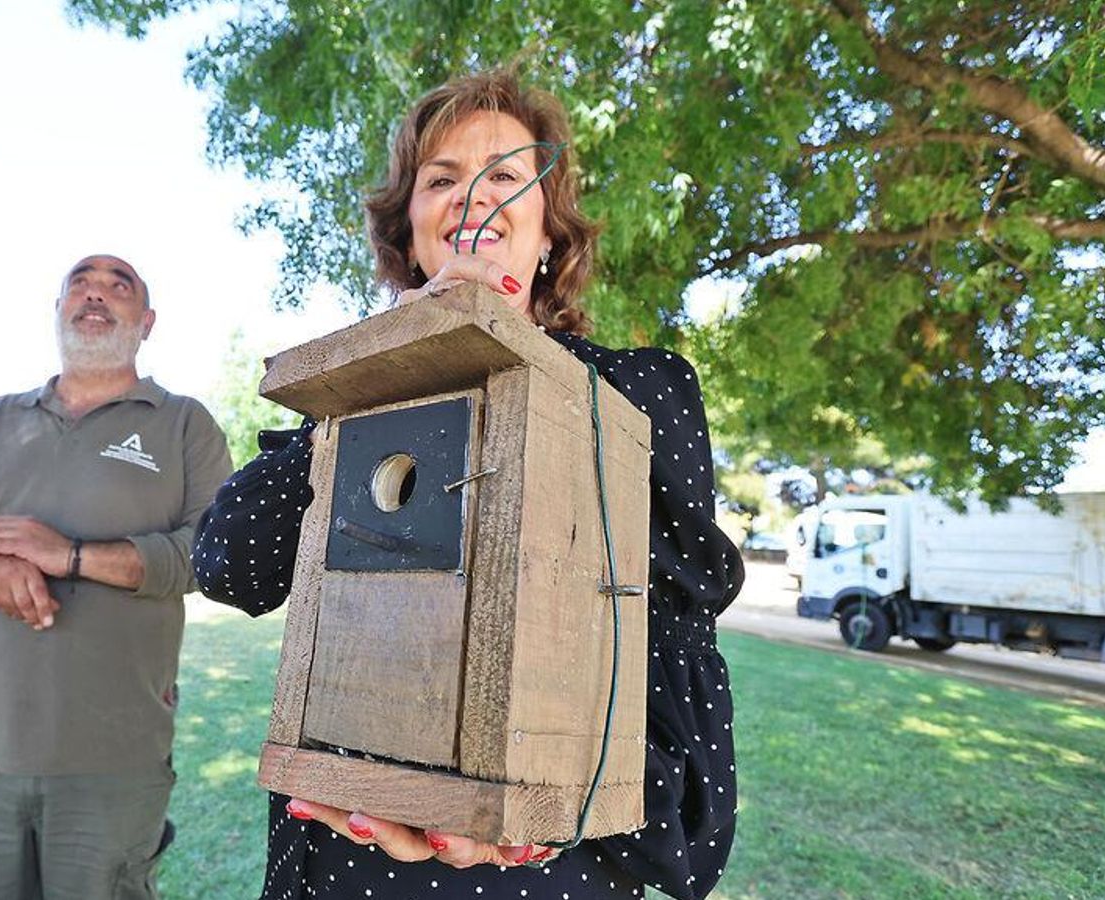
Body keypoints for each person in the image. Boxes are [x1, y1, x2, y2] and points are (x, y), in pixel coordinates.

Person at [193, 70, 745, 899]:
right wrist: (396, 355)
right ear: (409, 234)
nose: (473, 198)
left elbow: (673, 644)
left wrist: (552, 812)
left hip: (544, 877)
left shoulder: (636, 392)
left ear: (548, 233)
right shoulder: (351, 396)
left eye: (504, 177)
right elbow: (229, 565)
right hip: (345, 863)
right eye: (442, 180)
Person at [0, 254, 233, 900]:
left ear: (148, 321)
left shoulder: (183, 422)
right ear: (57, 311)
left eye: (119, 286)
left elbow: (212, 557)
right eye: (79, 284)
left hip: (112, 748)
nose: (95, 295)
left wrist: (71, 555)